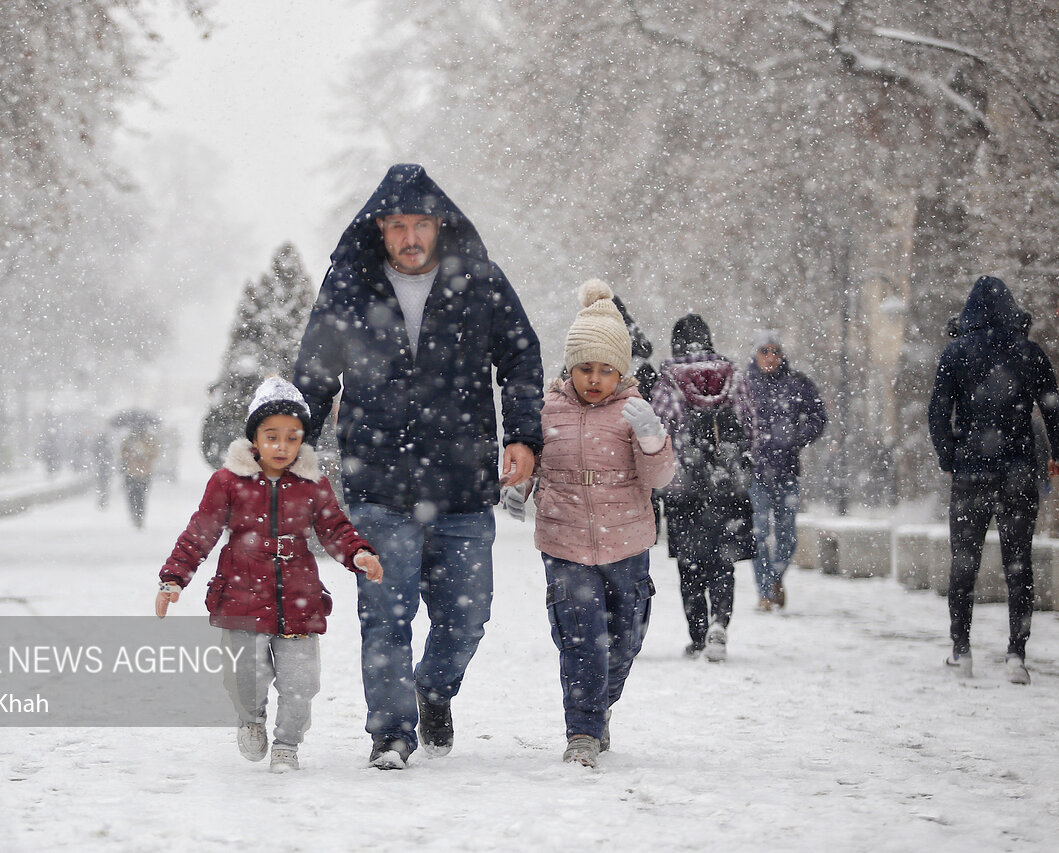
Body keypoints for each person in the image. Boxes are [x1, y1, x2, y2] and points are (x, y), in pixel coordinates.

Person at [293, 163, 544, 769]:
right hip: (379, 478)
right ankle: (391, 733)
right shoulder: (350, 284)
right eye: (398, 225)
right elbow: (316, 372)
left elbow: (520, 357)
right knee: (385, 616)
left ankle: (432, 691)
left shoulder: (479, 281)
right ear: (380, 228)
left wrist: (524, 437)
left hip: (462, 481)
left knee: (469, 616)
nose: (410, 237)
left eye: (421, 224)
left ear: (440, 225)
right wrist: (295, 447)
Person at [156, 377, 384, 773]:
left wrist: (358, 553)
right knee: (246, 677)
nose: (282, 446)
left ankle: (287, 745)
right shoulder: (228, 482)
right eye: (272, 436)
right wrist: (173, 578)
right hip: (241, 593)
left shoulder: (312, 483)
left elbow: (334, 527)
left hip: (299, 593)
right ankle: (251, 719)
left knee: (301, 683)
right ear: (254, 438)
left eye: (292, 437)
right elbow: (201, 532)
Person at [504, 280, 674, 768]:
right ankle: (582, 729)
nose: (594, 379)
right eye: (584, 368)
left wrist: (651, 439)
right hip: (565, 542)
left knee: (625, 639)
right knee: (580, 639)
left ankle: (599, 704)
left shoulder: (635, 411)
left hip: (627, 541)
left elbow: (661, 476)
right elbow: (530, 460)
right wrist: (519, 486)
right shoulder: (548, 409)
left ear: (621, 370)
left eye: (605, 369)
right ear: (569, 367)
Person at [928, 275, 1059, 685]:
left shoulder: (955, 354)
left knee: (964, 562)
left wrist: (949, 456)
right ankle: (1016, 656)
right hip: (1019, 471)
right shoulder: (1030, 353)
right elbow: (1053, 410)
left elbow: (938, 414)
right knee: (1018, 563)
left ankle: (961, 650)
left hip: (972, 470)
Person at [651, 314, 758, 662]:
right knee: (723, 560)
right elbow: (750, 426)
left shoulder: (669, 377)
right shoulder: (731, 374)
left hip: (685, 489)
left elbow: (659, 428)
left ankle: (697, 636)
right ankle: (719, 623)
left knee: (690, 563)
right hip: (727, 487)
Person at [744, 330, 827, 611]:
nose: (770, 357)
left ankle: (776, 577)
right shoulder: (744, 384)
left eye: (774, 351)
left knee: (787, 535)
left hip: (787, 470)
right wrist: (745, 447)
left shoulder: (796, 383)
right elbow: (732, 419)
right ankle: (765, 592)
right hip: (755, 472)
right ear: (755, 355)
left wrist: (796, 437)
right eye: (764, 351)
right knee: (759, 533)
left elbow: (818, 415)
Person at [120, 428, 159, 529]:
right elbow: (123, 454)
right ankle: (135, 515)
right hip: (132, 473)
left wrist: (144, 455)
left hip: (143, 473)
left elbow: (154, 454)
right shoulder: (129, 440)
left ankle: (139, 516)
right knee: (132, 495)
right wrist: (132, 454)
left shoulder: (148, 441)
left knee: (141, 496)